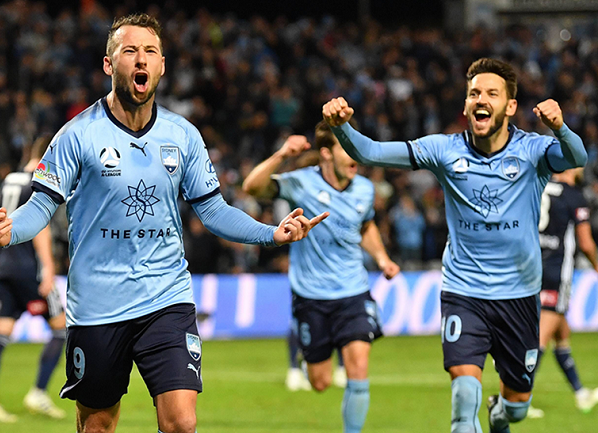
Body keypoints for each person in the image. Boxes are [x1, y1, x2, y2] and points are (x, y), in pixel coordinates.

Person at [0, 13, 326, 433]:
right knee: (97, 426)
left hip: (165, 296)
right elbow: (41, 205)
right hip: (98, 305)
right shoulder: (76, 135)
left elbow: (213, 210)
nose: (141, 60)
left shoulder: (184, 135)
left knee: (181, 423)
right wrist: (11, 230)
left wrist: (271, 234)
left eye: (150, 52)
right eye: (130, 51)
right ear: (109, 64)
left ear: (162, 66)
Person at [322, 57, 587, 433]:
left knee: (517, 408)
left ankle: (500, 415)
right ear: (465, 105)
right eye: (474, 93)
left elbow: (578, 157)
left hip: (520, 295)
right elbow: (370, 152)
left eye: (492, 93)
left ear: (510, 106)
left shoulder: (533, 151)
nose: (481, 99)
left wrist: (560, 127)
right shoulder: (445, 150)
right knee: (464, 398)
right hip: (464, 291)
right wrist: (343, 127)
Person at [242, 121, 400, 433]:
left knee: (358, 368)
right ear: (326, 153)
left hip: (353, 292)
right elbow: (252, 187)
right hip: (311, 297)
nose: (356, 155)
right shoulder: (301, 183)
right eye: (347, 148)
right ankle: (307, 360)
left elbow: (365, 226)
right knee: (320, 382)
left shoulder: (365, 189)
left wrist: (382, 258)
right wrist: (282, 154)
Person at [0, 135, 67, 423]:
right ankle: (38, 392)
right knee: (62, 328)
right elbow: (38, 225)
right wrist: (49, 266)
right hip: (29, 266)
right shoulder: (38, 181)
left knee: (1, 334)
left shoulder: (12, 178)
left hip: (6, 264)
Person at [532, 167, 598, 415]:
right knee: (540, 338)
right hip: (557, 272)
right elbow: (585, 242)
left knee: (562, 333)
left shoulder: (539, 188)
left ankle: (580, 393)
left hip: (532, 268)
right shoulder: (574, 196)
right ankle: (516, 398)